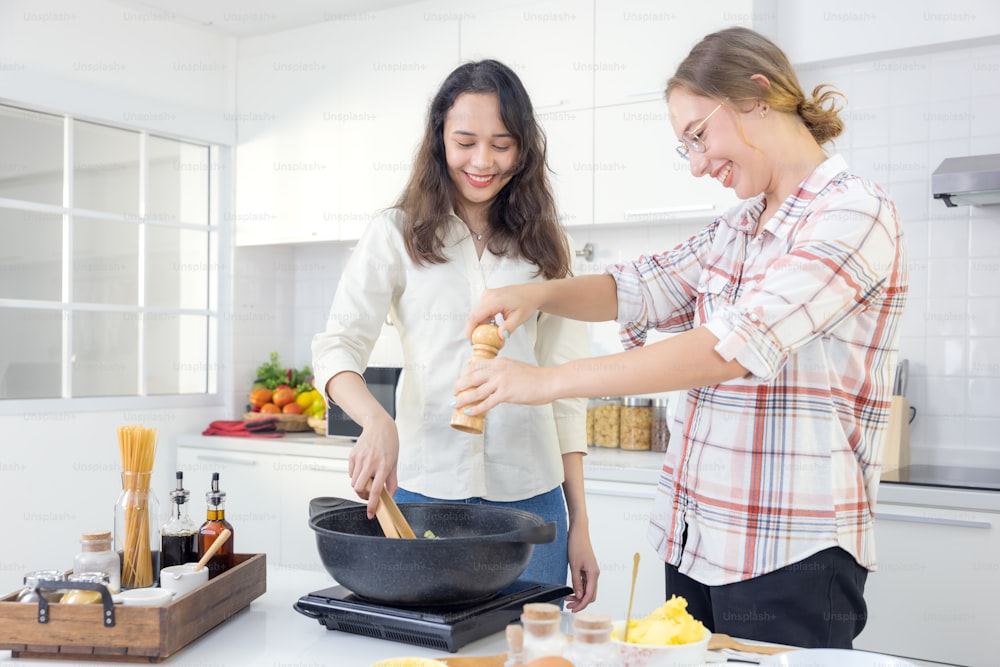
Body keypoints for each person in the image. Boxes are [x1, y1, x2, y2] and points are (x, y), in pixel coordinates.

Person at [455, 27, 907, 648]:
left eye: (698, 135)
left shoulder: (852, 213)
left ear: (756, 95)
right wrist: (533, 294)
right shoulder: (739, 225)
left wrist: (541, 383)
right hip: (695, 540)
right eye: (685, 147)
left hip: (788, 553)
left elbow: (730, 348)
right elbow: (636, 286)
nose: (697, 164)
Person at [311, 59, 598, 611]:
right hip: (423, 491)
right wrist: (375, 419)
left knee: (529, 650)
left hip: (532, 502)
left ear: (524, 149)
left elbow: (565, 393)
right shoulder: (394, 234)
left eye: (502, 143)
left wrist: (580, 523)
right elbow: (336, 346)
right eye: (465, 141)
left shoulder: (546, 245)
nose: (483, 161)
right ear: (439, 137)